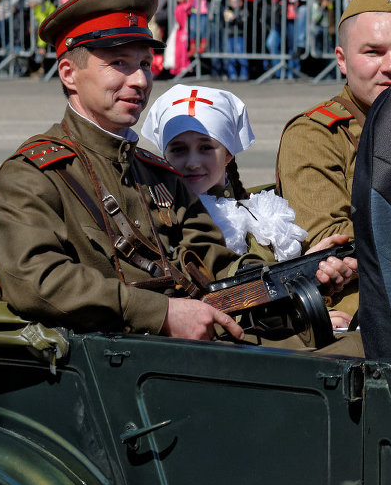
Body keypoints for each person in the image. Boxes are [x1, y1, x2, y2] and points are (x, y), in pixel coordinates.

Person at [0, 0, 249, 341]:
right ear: (69, 74)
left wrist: (289, 277)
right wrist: (161, 313)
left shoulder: (156, 172)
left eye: (144, 63)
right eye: (118, 64)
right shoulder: (35, 175)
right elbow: (36, 281)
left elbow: (215, 259)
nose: (140, 80)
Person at [141, 83, 355, 331]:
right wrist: (298, 314)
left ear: (229, 154)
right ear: (164, 155)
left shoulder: (261, 212)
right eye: (178, 149)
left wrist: (311, 265)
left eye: (206, 147)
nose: (192, 162)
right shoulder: (162, 217)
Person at [275, 0, 391, 315]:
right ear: (342, 60)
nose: (390, 66)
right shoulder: (316, 135)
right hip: (367, 307)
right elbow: (332, 240)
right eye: (373, 52)